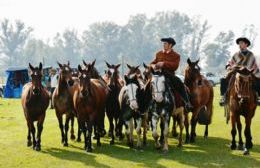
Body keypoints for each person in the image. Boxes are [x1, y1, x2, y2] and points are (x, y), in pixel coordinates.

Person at [150, 37, 193, 111]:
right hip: (157, 75)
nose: (163, 45)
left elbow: (175, 66)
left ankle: (187, 102)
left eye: (165, 43)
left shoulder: (176, 55)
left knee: (180, 84)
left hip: (169, 75)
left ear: (170, 45)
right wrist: (153, 66)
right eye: (163, 43)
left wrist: (164, 64)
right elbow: (152, 63)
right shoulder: (158, 54)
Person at [220, 37, 260, 106]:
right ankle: (224, 97)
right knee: (223, 79)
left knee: (259, 80)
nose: (239, 45)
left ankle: (258, 97)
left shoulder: (251, 55)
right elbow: (230, 63)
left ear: (246, 44)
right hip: (237, 73)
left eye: (241, 43)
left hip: (248, 73)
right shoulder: (236, 54)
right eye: (239, 43)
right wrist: (229, 66)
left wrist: (253, 71)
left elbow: (254, 65)